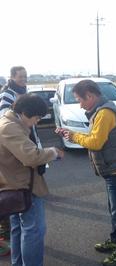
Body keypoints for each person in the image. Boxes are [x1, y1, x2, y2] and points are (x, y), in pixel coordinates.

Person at [55, 79, 116, 266]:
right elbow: (94, 138)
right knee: (115, 211)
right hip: (114, 171)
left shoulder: (105, 113)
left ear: (90, 96)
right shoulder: (102, 110)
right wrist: (71, 134)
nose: (80, 104)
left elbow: (96, 142)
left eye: (80, 100)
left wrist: (73, 135)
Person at [0, 94, 64, 266]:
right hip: (24, 186)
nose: (37, 122)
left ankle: (18, 263)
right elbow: (31, 156)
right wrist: (53, 152)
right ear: (24, 113)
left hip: (14, 185)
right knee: (33, 230)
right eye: (36, 118)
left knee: (19, 229)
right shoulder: (9, 127)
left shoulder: (11, 122)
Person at [0, 66, 29, 251]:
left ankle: (9, 233)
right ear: (12, 78)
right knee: (8, 193)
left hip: (19, 143)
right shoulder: (8, 94)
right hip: (10, 146)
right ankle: (5, 236)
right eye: (20, 77)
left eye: (26, 77)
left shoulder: (22, 91)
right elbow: (5, 119)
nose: (24, 80)